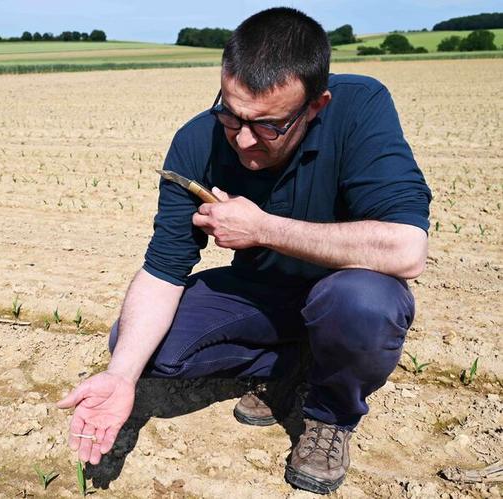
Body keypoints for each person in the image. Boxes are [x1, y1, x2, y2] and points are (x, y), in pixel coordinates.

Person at [57, 6, 431, 495]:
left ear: (315, 107)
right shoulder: (198, 141)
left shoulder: (361, 108)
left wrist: (264, 228)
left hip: (345, 289)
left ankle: (328, 413)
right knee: (140, 345)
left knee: (362, 305)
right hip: (261, 293)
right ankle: (293, 363)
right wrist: (120, 377)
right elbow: (164, 270)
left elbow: (407, 249)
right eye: (231, 115)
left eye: (270, 125)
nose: (245, 139)